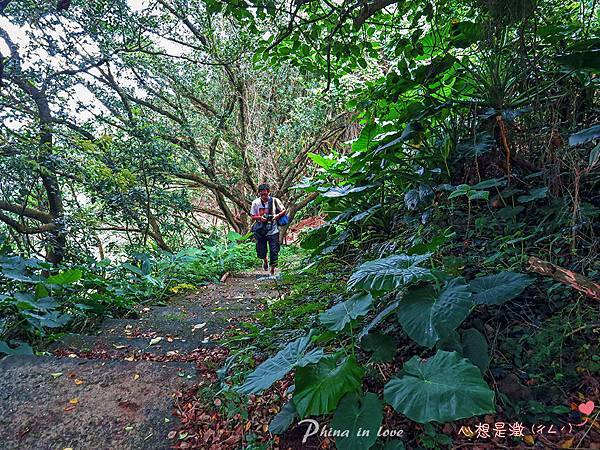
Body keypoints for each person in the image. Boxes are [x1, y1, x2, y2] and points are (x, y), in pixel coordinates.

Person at [250, 184, 286, 275]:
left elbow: (283, 210)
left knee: (274, 251)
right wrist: (260, 218)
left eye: (265, 194)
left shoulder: (275, 201)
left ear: (269, 192)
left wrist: (276, 216)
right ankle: (265, 260)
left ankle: (272, 269)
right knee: (261, 250)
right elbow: (252, 216)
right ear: (259, 193)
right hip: (261, 230)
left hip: (273, 230)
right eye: (262, 195)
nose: (264, 196)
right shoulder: (255, 203)